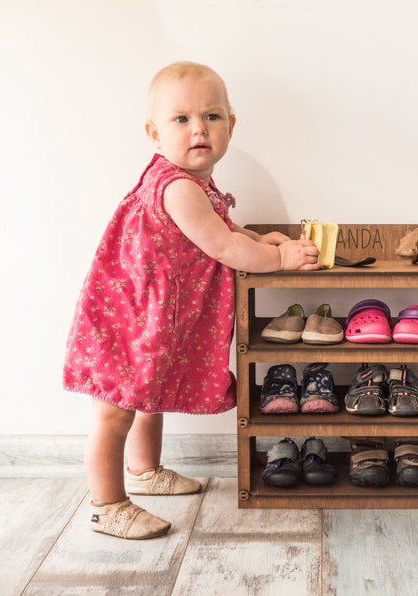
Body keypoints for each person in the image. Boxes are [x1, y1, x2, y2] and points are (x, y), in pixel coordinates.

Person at [63, 61, 321, 540]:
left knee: (148, 395)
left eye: (212, 116)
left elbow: (223, 229)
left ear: (231, 125)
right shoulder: (179, 186)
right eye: (181, 119)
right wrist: (281, 256)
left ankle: (144, 471)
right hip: (130, 317)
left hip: (152, 314)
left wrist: (256, 237)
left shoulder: (194, 184)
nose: (199, 128)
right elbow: (222, 246)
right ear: (154, 132)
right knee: (115, 408)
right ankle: (106, 504)